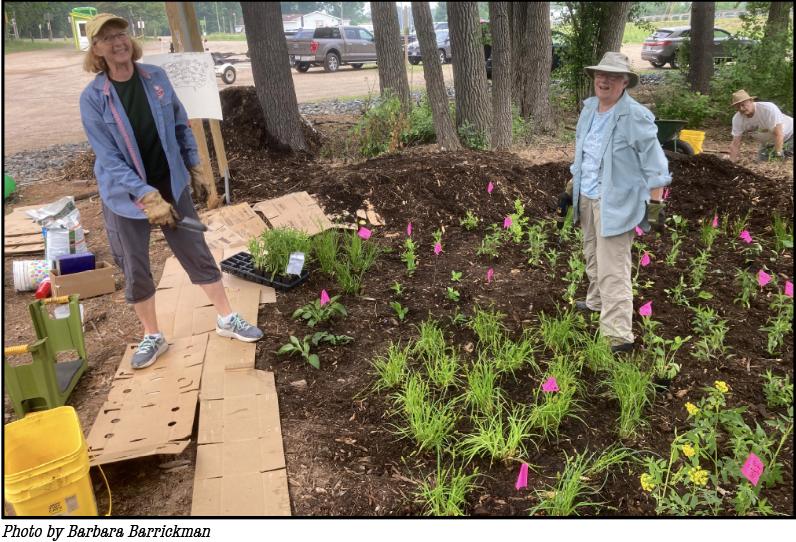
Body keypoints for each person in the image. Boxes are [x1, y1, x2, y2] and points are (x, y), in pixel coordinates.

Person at [79, 14, 262, 370]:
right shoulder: (93, 99)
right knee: (134, 263)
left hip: (169, 180)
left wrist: (193, 167)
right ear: (97, 50)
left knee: (195, 249)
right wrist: (146, 196)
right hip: (125, 196)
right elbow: (110, 158)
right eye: (107, 39)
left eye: (122, 34)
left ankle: (226, 318)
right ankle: (153, 336)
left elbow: (180, 123)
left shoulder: (155, 77)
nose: (118, 42)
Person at [560, 52, 671, 353]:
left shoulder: (635, 116)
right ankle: (596, 301)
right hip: (588, 197)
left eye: (612, 76)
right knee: (592, 253)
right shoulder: (588, 110)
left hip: (618, 202)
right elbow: (584, 156)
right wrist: (571, 190)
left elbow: (656, 165)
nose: (604, 80)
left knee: (614, 267)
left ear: (624, 82)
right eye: (600, 74)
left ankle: (618, 335)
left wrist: (655, 206)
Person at [728, 90, 793, 163]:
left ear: (751, 101)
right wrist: (730, 164)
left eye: (743, 105)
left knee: (786, 163)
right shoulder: (737, 119)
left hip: (790, 136)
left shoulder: (767, 109)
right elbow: (735, 144)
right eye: (738, 107)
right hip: (768, 143)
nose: (741, 109)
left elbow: (778, 134)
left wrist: (779, 154)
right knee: (760, 165)